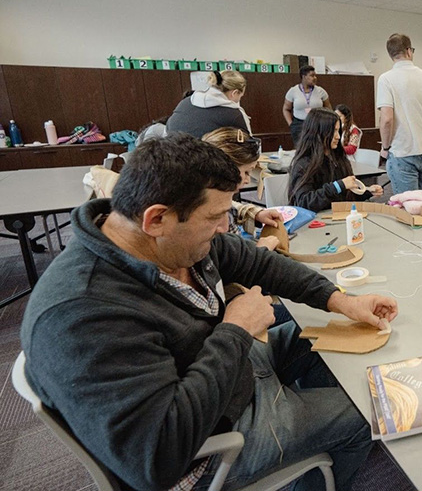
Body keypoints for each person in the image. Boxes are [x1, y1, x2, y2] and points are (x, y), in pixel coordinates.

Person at [20, 133, 398, 491]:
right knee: (369, 411)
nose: (224, 227)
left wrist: (341, 300)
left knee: (323, 335)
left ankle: (309, 423)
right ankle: (320, 439)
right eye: (214, 217)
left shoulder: (172, 242)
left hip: (227, 375)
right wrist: (236, 331)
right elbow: (158, 458)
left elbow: (258, 263)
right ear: (156, 219)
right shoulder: (82, 317)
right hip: (208, 445)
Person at [376, 33, 422, 194]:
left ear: (391, 54)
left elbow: (387, 119)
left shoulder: (386, 79)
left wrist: (385, 146)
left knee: (406, 201)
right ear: (409, 51)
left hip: (403, 149)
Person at [201, 128, 282, 251]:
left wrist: (254, 214)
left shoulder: (213, 197)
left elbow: (231, 206)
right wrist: (260, 251)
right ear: (226, 171)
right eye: (246, 172)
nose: (248, 180)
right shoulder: (208, 217)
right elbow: (229, 258)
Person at [288, 108, 383, 212]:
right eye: (333, 131)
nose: (338, 136)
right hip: (316, 219)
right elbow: (304, 202)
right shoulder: (304, 164)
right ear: (318, 133)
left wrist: (366, 192)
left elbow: (346, 196)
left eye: (338, 131)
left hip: (339, 215)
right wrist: (338, 186)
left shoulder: (339, 158)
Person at [166, 71, 251, 138]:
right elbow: (250, 146)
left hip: (171, 152)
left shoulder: (184, 103)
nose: (239, 100)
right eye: (240, 96)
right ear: (234, 93)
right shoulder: (234, 114)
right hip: (208, 154)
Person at [283, 65, 331, 147]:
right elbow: (286, 109)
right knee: (301, 148)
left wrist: (326, 124)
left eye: (315, 75)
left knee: (317, 148)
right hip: (299, 125)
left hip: (317, 124)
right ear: (304, 76)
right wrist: (291, 124)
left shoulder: (321, 91)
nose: (315, 78)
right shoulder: (293, 91)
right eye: (312, 76)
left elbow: (328, 109)